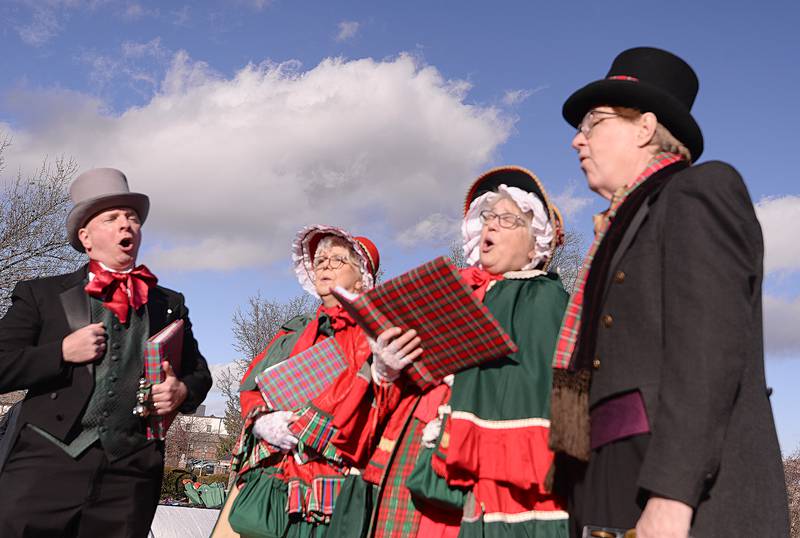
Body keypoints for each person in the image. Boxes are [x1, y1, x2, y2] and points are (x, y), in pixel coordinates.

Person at [549, 47, 790, 537]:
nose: (577, 140)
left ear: (645, 127)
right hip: (609, 487)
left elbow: (707, 353)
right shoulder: (617, 228)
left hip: (675, 498)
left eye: (593, 122)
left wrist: (672, 496)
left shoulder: (698, 191)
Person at [328, 166, 570, 538]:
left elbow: (537, 415)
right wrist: (384, 370)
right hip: (407, 460)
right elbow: (396, 396)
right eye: (489, 217)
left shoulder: (544, 301)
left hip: (471, 476)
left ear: (535, 239)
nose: (491, 225)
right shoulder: (451, 291)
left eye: (508, 219)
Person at [0, 167, 212, 537]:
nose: (125, 225)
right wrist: (61, 351)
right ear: (86, 237)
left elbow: (199, 375)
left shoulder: (168, 303)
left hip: (130, 474)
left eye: (132, 218)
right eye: (111, 218)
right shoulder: (40, 295)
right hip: (46, 464)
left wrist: (182, 393)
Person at [226, 225, 388, 538]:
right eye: (321, 259)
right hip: (275, 482)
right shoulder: (294, 333)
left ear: (363, 277)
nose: (325, 264)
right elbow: (252, 389)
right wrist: (263, 420)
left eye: (339, 259)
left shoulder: (379, 336)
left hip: (334, 483)